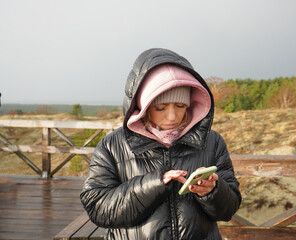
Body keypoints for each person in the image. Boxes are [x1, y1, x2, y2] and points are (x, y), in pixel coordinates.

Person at [80, 48, 241, 240]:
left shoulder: (212, 141)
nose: (172, 116)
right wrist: (154, 184)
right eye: (161, 107)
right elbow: (97, 208)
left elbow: (228, 209)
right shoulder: (112, 146)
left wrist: (213, 191)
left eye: (181, 106)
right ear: (143, 105)